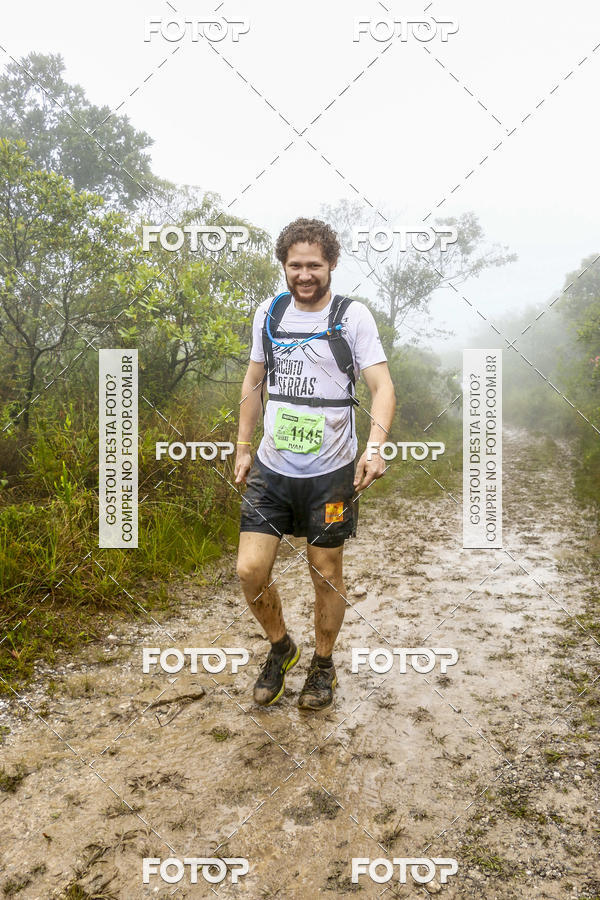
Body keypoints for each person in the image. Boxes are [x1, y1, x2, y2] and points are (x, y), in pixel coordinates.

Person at [234, 217, 395, 711]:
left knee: (324, 571)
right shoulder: (269, 313)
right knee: (249, 570)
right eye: (295, 265)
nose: (304, 275)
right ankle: (281, 647)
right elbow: (254, 381)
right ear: (284, 266)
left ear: (331, 265)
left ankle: (322, 664)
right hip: (271, 469)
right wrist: (242, 446)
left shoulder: (352, 317)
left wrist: (375, 447)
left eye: (314, 266)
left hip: (331, 474)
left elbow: (382, 387)